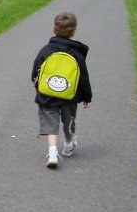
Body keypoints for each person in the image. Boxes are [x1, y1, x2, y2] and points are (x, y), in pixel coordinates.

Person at [31, 11, 93, 168]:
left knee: (50, 122)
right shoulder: (76, 53)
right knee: (68, 121)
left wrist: (37, 86)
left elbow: (36, 71)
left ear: (54, 29)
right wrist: (87, 97)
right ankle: (68, 145)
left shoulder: (46, 50)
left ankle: (52, 152)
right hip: (69, 96)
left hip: (47, 95)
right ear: (73, 32)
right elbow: (83, 77)